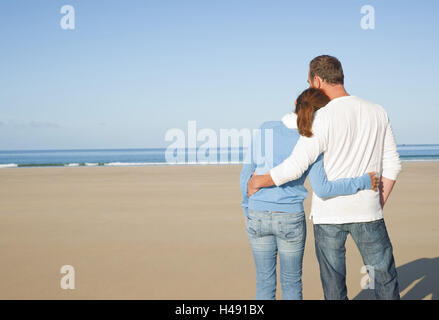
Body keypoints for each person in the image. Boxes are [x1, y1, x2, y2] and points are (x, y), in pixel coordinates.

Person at [247, 55, 402, 300]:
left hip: (329, 215)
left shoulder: (321, 117)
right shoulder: (377, 111)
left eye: (309, 82)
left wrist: (259, 180)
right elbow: (392, 165)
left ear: (317, 81)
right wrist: (378, 202)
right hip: (369, 211)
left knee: (334, 287)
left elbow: (297, 165)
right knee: (384, 279)